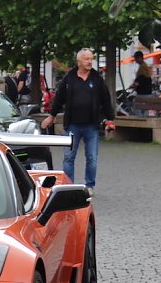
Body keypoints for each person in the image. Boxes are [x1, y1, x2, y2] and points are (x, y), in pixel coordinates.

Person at [40, 48, 115, 195]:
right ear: (79, 61)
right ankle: (69, 186)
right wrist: (51, 116)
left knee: (92, 157)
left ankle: (89, 186)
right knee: (68, 157)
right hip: (72, 125)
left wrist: (110, 119)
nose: (89, 62)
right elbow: (59, 98)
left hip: (91, 125)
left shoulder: (96, 78)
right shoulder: (69, 78)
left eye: (91, 59)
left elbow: (106, 100)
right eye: (86, 59)